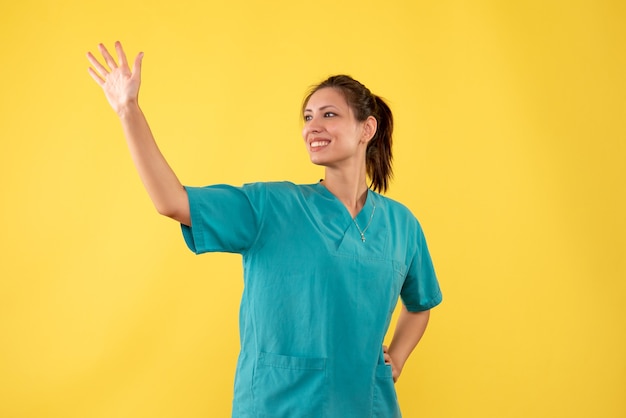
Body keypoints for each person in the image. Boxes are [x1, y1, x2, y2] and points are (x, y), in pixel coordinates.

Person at [87, 41, 442, 418]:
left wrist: (397, 358)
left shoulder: (402, 224)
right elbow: (171, 201)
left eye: (329, 114)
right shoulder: (270, 206)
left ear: (366, 128)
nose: (313, 127)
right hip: (280, 405)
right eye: (307, 117)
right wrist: (128, 109)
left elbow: (421, 304)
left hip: (367, 406)